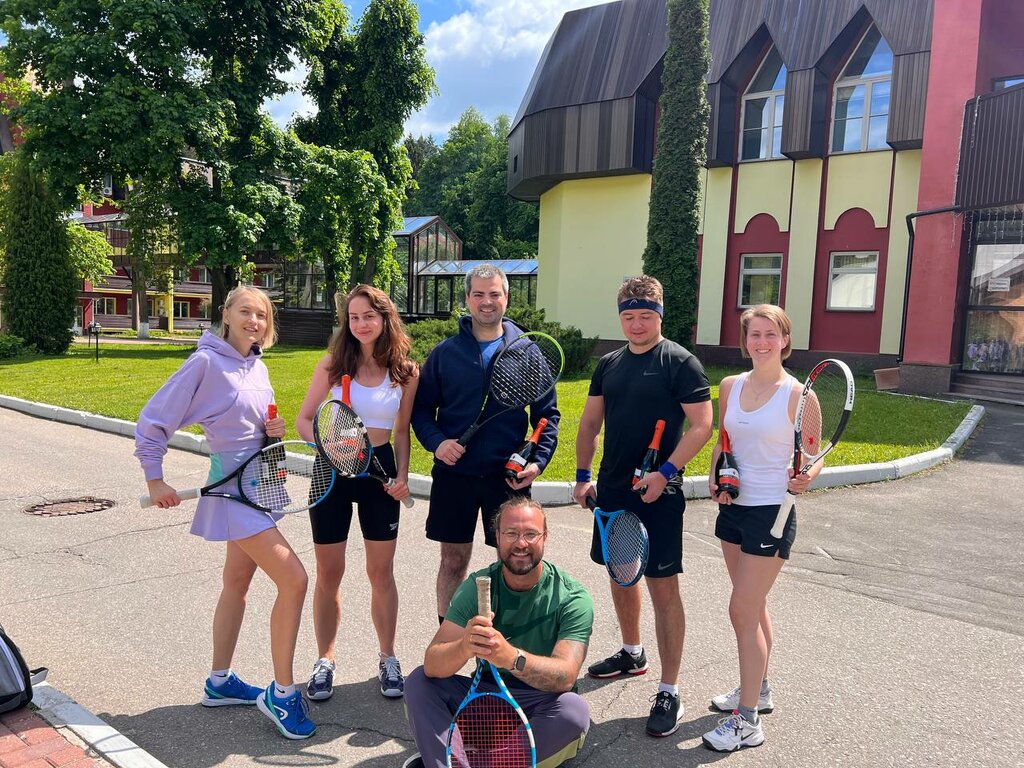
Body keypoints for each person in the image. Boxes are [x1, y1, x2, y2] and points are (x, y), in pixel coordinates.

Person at [135, 285, 315, 739]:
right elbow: (154, 418)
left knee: (237, 583)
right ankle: (282, 692)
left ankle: (219, 682)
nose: (254, 320)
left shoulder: (257, 365)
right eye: (246, 312)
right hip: (233, 493)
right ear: (227, 315)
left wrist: (271, 429)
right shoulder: (206, 362)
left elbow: (254, 425)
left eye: (262, 314)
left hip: (261, 487)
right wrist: (155, 478)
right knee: (295, 580)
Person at [572, 275, 713, 738]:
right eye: (628, 316)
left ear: (660, 314)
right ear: (620, 317)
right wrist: (582, 475)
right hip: (613, 491)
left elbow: (701, 426)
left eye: (645, 315)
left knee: (662, 589)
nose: (636, 324)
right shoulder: (610, 363)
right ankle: (632, 652)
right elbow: (591, 423)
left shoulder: (680, 362)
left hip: (658, 492)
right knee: (620, 573)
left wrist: (666, 473)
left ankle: (669, 688)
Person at [412, 264, 559, 626]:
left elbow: (548, 416)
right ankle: (447, 636)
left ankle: (511, 644)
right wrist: (437, 442)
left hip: (506, 480)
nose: (487, 301)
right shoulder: (446, 353)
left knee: (515, 564)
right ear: (467, 300)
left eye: (494, 294)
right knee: (452, 561)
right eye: (478, 294)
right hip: (455, 476)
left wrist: (537, 462)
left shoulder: (527, 352)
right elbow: (420, 411)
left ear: (506, 298)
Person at [402, 497, 593, 768]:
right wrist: (464, 647)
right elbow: (433, 663)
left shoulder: (572, 597)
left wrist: (511, 658)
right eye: (511, 533)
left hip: (541, 704)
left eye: (530, 534)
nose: (520, 544)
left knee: (574, 712)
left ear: (545, 537)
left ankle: (465, 759)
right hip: (483, 701)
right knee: (419, 682)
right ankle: (459, 761)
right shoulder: (477, 586)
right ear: (498, 537)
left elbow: (565, 676)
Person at [701, 304, 816, 752]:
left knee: (741, 610)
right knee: (754, 605)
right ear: (745, 340)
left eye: (771, 334)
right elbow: (722, 440)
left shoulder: (798, 395)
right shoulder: (730, 386)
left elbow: (812, 458)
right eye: (755, 334)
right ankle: (759, 689)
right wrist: (714, 477)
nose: (762, 342)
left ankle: (746, 721)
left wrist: (808, 477)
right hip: (735, 506)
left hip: (774, 510)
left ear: (785, 340)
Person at [295, 284, 418, 702]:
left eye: (369, 315)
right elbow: (305, 419)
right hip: (330, 470)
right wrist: (330, 445)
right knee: (329, 574)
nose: (361, 323)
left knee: (380, 574)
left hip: (379, 471)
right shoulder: (332, 364)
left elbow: (402, 432)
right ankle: (325, 660)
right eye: (354, 317)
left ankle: (387, 658)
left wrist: (402, 475)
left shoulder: (405, 371)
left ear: (385, 318)